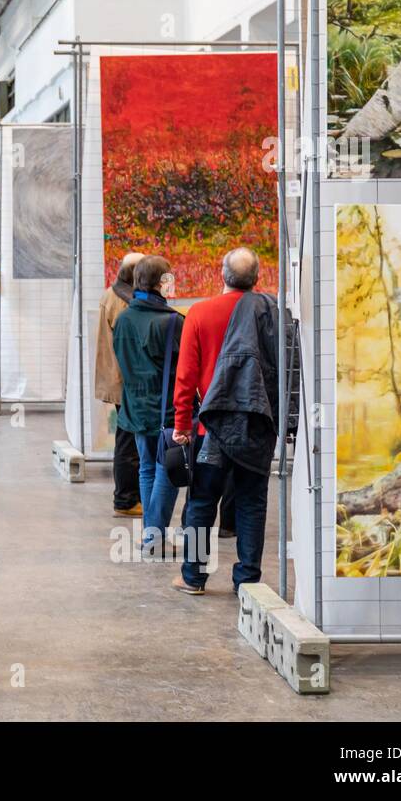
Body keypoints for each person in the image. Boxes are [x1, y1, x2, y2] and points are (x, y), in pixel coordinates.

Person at [173, 249, 279, 595]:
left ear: (222, 275)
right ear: (257, 278)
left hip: (210, 428)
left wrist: (181, 425)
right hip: (256, 425)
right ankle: (248, 581)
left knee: (202, 502)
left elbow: (186, 377)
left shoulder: (200, 313)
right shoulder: (270, 314)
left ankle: (193, 576)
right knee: (251, 503)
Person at [112, 255, 183, 556]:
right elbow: (185, 370)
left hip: (135, 407)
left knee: (146, 468)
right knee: (169, 471)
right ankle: (152, 537)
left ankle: (151, 536)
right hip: (166, 409)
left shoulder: (124, 319)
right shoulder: (172, 322)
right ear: (160, 283)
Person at [96, 253, 145, 519]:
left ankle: (128, 497)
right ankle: (125, 500)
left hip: (118, 379)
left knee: (127, 440)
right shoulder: (125, 303)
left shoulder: (110, 294)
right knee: (128, 442)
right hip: (127, 382)